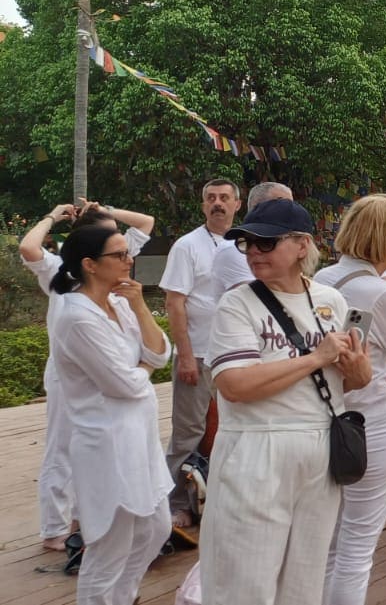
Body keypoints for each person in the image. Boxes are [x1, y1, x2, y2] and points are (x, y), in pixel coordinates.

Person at [201, 199, 372, 605]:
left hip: (319, 446)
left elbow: (360, 380)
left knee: (305, 578)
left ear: (301, 245)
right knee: (245, 579)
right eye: (247, 244)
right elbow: (234, 384)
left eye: (266, 243)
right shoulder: (237, 303)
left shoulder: (332, 300)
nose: (255, 252)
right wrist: (316, 357)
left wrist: (354, 365)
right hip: (258, 444)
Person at [20, 202, 156, 551]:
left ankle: (87, 517)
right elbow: (28, 247)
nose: (124, 253)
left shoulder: (115, 259)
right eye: (109, 238)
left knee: (98, 443)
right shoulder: (60, 269)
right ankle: (54, 528)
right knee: (63, 445)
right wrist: (53, 216)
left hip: (110, 363)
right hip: (72, 370)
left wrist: (108, 209)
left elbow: (146, 220)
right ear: (88, 257)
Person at [49, 225, 173, 604]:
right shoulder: (76, 317)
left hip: (139, 437)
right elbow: (126, 384)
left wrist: (138, 306)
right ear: (90, 264)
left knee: (155, 529)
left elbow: (161, 352)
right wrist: (145, 369)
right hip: (107, 444)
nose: (129, 259)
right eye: (119, 255)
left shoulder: (120, 302)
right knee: (109, 547)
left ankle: (123, 597)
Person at [314, 194, 386, 605]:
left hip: (323, 417)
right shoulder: (382, 293)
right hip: (372, 421)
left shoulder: (320, 280)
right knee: (357, 545)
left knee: (327, 541)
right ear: (383, 238)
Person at [159, 178, 241, 530]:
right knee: (188, 433)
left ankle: (223, 500)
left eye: (224, 198)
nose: (217, 203)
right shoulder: (187, 246)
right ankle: (177, 505)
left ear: (237, 204)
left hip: (238, 354)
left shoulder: (246, 244)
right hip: (200, 354)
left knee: (235, 430)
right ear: (203, 205)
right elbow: (175, 303)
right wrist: (187, 356)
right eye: (211, 198)